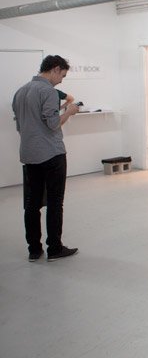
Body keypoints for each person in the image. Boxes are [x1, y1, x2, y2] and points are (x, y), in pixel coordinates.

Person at [12, 55, 80, 262]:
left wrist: (58, 111)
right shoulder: (48, 92)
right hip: (51, 154)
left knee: (31, 204)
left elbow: (23, 124)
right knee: (54, 202)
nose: (61, 80)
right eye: (62, 75)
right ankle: (55, 248)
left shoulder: (21, 91)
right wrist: (68, 111)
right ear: (55, 69)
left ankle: (34, 249)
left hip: (29, 154)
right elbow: (52, 125)